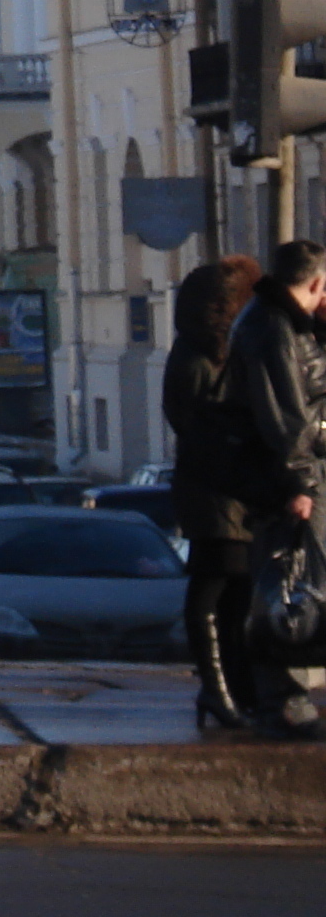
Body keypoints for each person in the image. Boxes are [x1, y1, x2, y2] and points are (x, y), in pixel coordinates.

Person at [227, 238, 326, 741]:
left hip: (294, 475)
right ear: (314, 282)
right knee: (287, 590)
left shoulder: (288, 323)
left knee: (298, 587)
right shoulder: (272, 328)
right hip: (287, 481)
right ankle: (282, 698)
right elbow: (287, 420)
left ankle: (285, 696)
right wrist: (301, 484)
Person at [163, 255, 262, 729]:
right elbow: (202, 427)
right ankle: (218, 688)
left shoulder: (205, 352)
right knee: (215, 588)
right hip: (218, 491)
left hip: (224, 490)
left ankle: (233, 691)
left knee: (233, 593)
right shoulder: (201, 357)